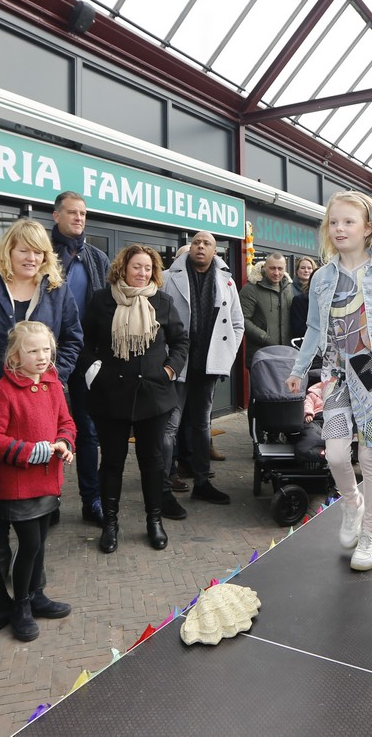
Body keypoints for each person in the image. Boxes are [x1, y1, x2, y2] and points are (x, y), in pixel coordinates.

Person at [286, 192, 372, 571]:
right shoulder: (322, 277)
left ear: (367, 228)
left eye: (348, 222)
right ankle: (352, 504)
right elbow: (313, 327)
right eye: (333, 222)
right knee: (336, 454)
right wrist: (298, 370)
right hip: (335, 374)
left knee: (371, 455)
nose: (339, 228)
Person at [0, 218, 83, 573]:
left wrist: (53, 377)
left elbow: (72, 338)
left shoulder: (56, 289)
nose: (31, 258)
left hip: (40, 399)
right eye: (24, 250)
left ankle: (31, 567)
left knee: (39, 470)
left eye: (39, 251)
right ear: (8, 251)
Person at [81, 245, 189, 552]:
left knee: (152, 462)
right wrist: (94, 372)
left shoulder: (162, 301)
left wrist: (169, 370)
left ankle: (154, 521)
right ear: (123, 268)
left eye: (147, 268)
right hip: (110, 395)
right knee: (112, 462)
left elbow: (180, 341)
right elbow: (84, 342)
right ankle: (110, 524)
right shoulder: (102, 300)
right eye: (136, 267)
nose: (142, 273)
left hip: (153, 395)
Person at [0, 321, 75, 641]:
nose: (41, 356)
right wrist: (29, 451)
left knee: (41, 541)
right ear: (14, 356)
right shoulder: (2, 391)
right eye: (33, 351)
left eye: (46, 350)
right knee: (31, 544)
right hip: (18, 485)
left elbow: (66, 422)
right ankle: (20, 605)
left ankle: (37, 595)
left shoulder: (54, 384)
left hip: (48, 481)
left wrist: (64, 442)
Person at [159, 232, 244, 515]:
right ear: (190, 248)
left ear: (214, 251)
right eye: (196, 242)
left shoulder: (226, 281)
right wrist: (164, 359)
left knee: (202, 425)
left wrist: (226, 355)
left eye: (207, 243)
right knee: (170, 426)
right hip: (177, 363)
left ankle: (202, 483)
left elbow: (237, 323)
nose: (200, 246)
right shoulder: (168, 277)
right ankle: (163, 487)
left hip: (208, 365)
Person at [49, 191, 112, 526]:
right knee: (47, 430)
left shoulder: (97, 258)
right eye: (72, 212)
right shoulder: (42, 253)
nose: (78, 218)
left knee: (87, 430)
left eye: (83, 214)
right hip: (45, 356)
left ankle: (92, 501)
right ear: (56, 215)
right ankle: (48, 501)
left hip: (86, 355)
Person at [240, 251, 295, 363]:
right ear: (265, 267)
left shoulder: (289, 288)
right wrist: (264, 337)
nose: (276, 273)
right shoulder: (251, 289)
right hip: (261, 354)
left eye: (280, 269)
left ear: (285, 268)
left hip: (287, 353)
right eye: (272, 268)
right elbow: (241, 319)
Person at [289, 255, 316, 340]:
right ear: (297, 271)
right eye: (303, 268)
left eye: (309, 268)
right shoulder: (289, 288)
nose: (306, 270)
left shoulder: (318, 291)